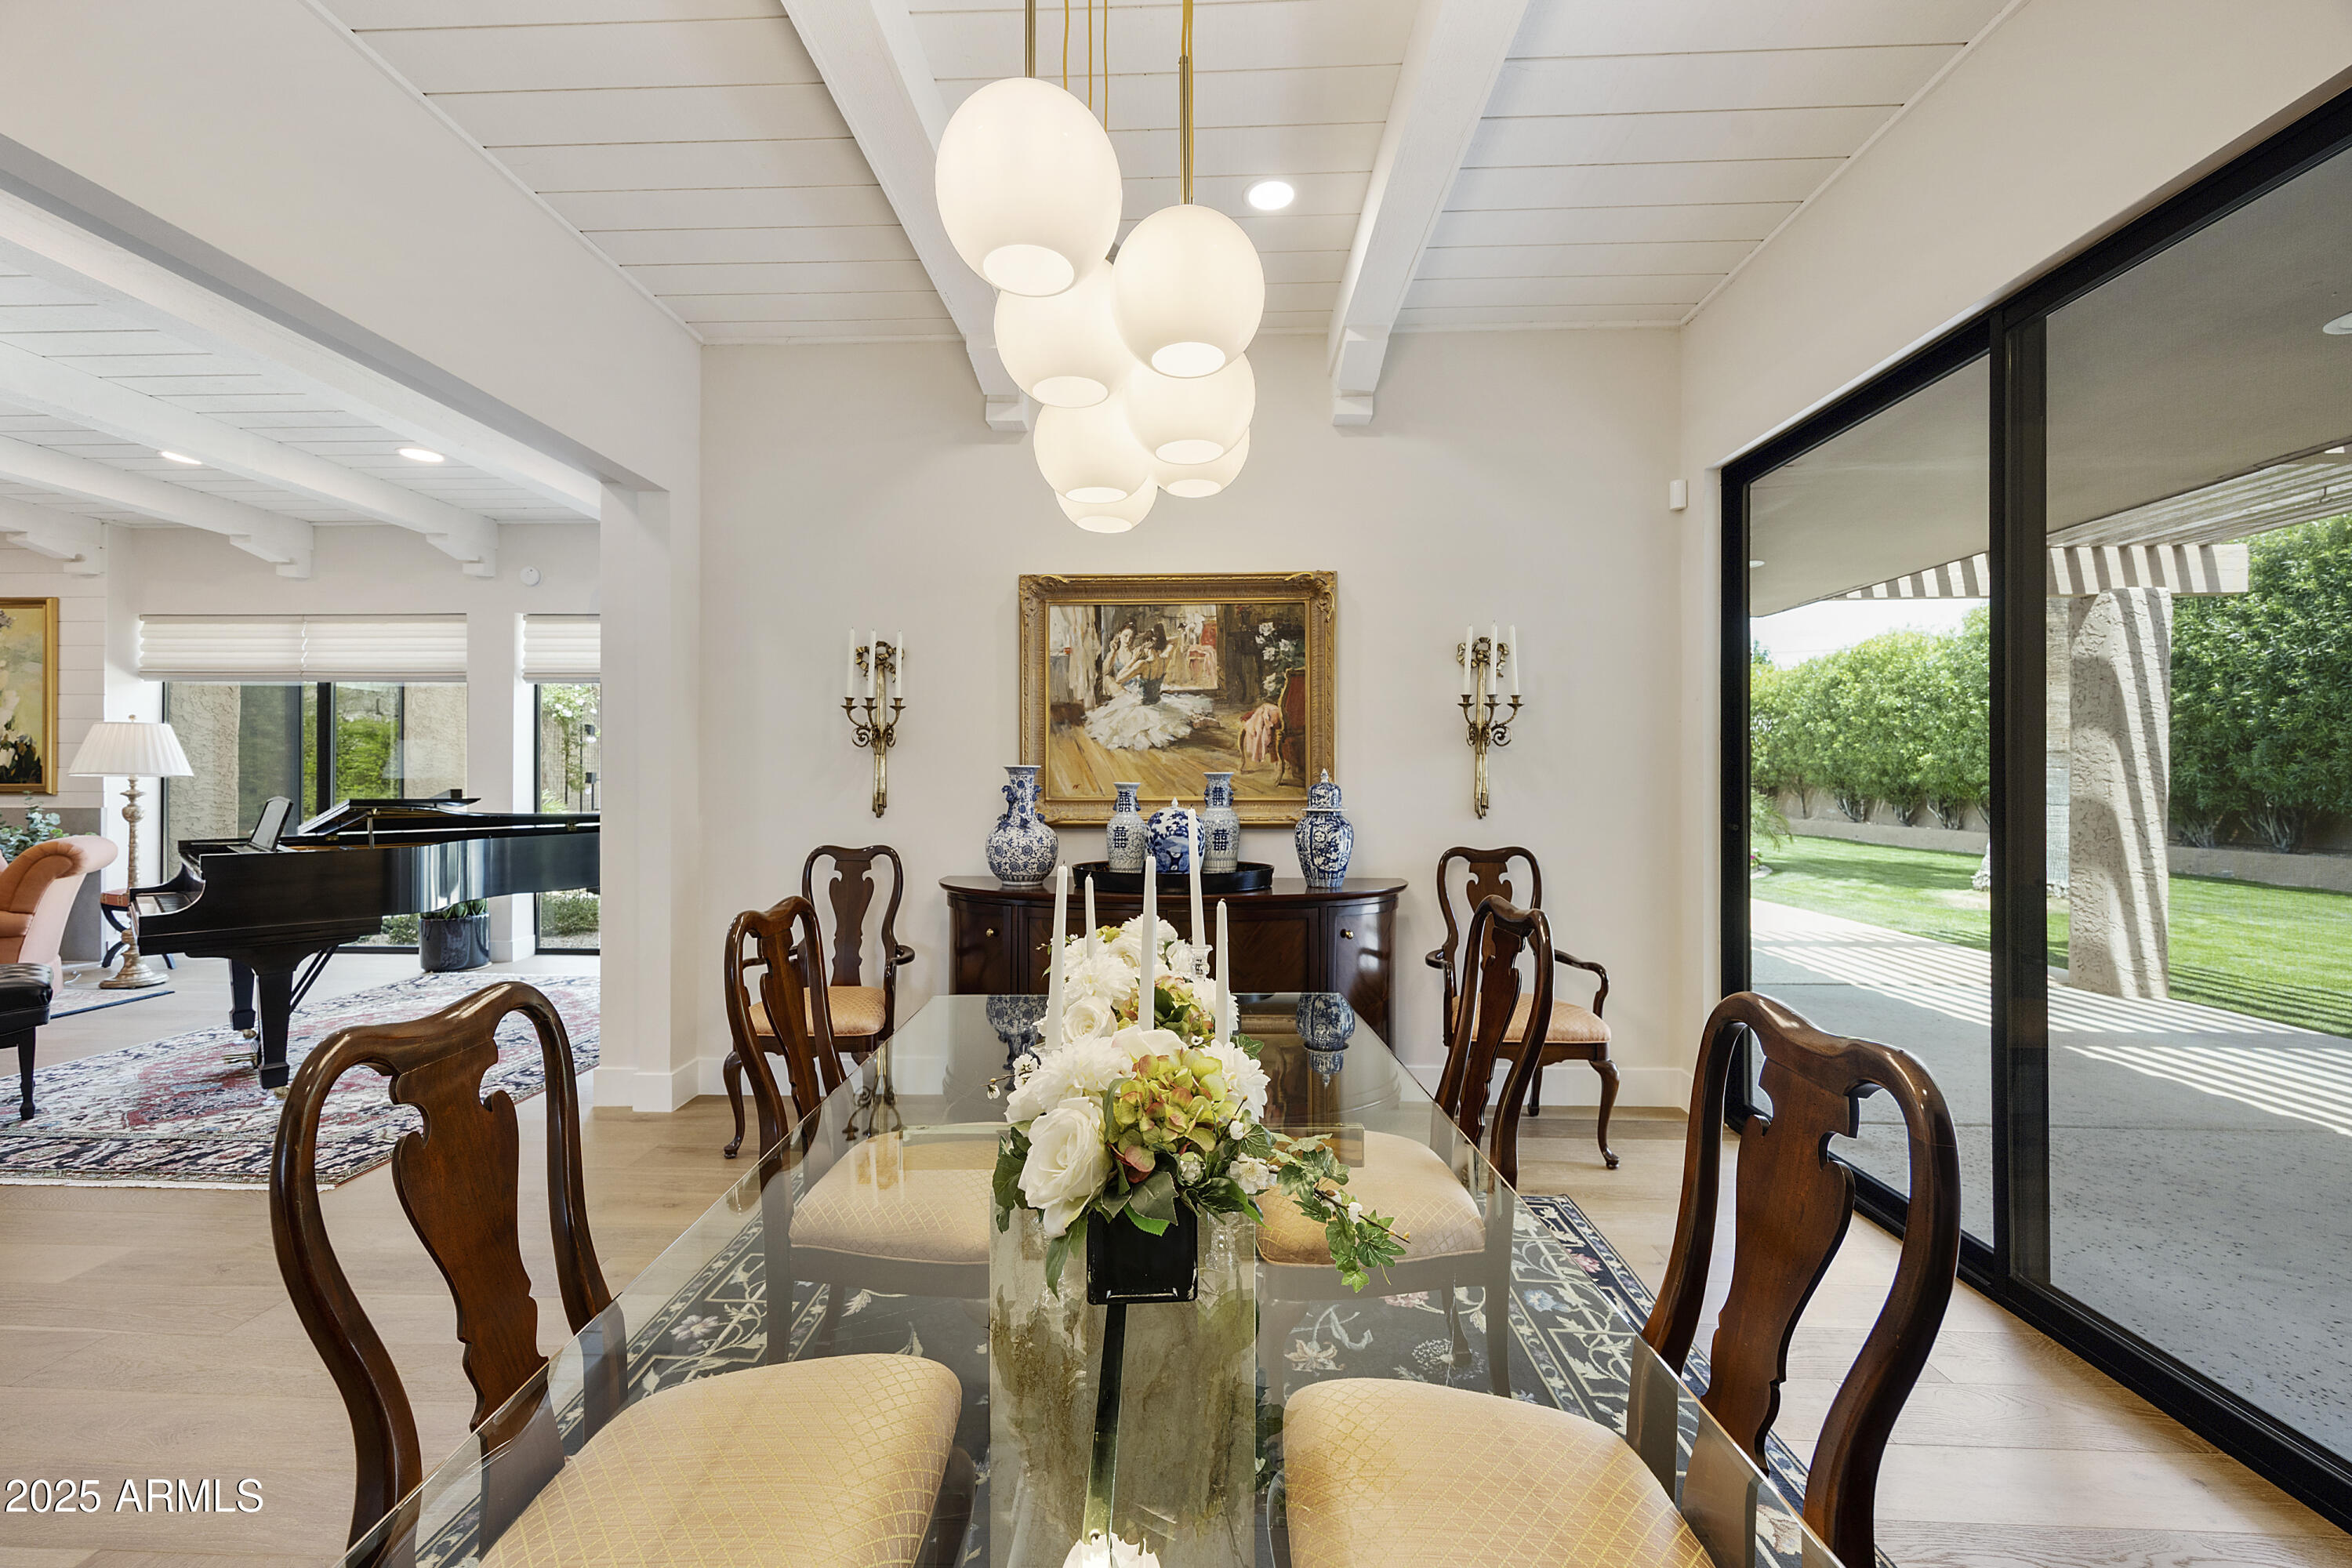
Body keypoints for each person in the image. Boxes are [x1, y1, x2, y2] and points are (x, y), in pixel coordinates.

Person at [1084, 624, 1210, 751]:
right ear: (1119, 635)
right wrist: (1159, 641)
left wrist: (1137, 656)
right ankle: (1196, 719)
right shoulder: (1161, 658)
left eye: (1131, 637)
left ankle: (1195, 719)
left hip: (1138, 695)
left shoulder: (1140, 657)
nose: (1128, 640)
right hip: (1141, 696)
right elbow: (1106, 672)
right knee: (1109, 681)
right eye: (1125, 636)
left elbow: (1124, 677)